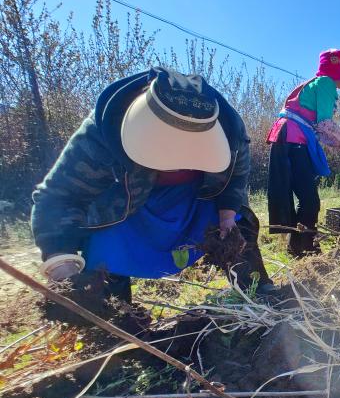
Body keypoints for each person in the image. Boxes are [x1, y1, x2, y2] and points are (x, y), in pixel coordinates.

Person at [31, 67, 276, 320]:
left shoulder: (230, 132)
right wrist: (64, 269)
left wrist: (227, 218)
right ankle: (113, 318)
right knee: (103, 251)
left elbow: (235, 180)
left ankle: (256, 288)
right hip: (125, 209)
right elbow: (57, 197)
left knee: (239, 224)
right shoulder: (101, 133)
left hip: (197, 199)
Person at [267, 49, 340, 257]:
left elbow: (320, 130)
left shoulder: (313, 84)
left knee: (305, 197)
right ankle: (304, 246)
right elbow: (324, 124)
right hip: (293, 140)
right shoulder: (325, 83)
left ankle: (298, 245)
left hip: (287, 138)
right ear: (338, 69)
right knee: (310, 199)